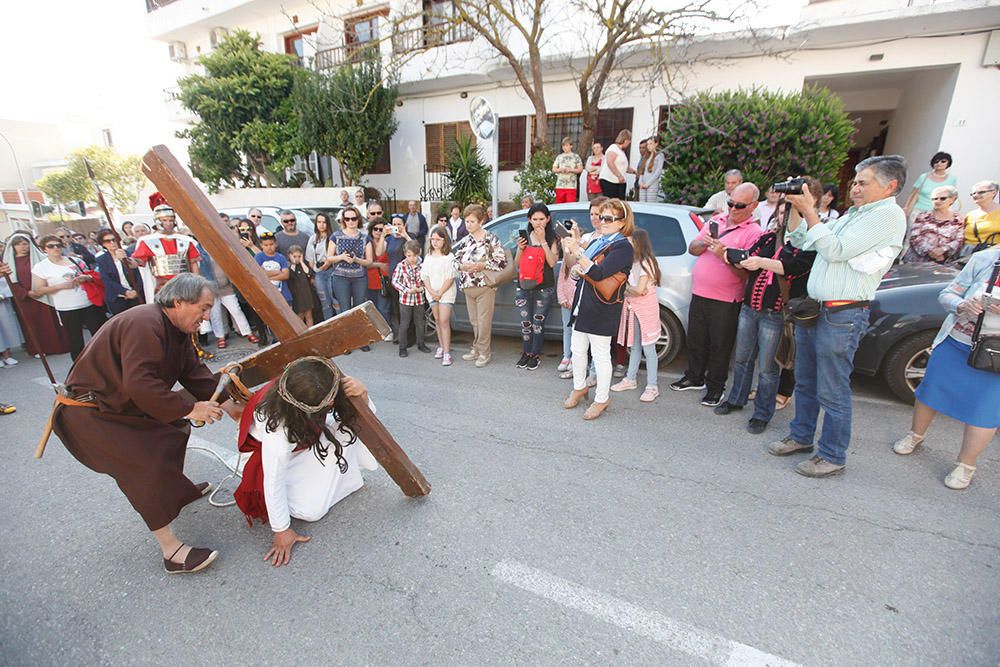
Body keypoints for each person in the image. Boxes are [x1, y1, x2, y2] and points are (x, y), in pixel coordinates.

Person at [51, 274, 238, 574]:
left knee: (170, 433)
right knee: (143, 465)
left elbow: (193, 371)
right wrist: (191, 408)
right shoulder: (145, 324)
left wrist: (230, 407)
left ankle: (178, 491)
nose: (207, 317)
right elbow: (140, 384)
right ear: (178, 302)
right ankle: (171, 552)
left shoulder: (173, 328)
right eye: (203, 309)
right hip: (90, 414)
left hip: (118, 407)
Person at [769, 155, 908, 477]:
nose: (855, 188)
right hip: (818, 310)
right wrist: (795, 210)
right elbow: (803, 241)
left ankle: (832, 454)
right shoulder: (856, 214)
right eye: (855, 182)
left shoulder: (888, 215)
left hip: (843, 313)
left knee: (832, 388)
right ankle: (802, 437)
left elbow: (836, 250)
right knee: (805, 381)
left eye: (863, 182)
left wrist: (809, 211)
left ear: (890, 186)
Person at [233, 356, 378, 567]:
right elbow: (273, 479)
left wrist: (362, 395)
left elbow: (364, 419)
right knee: (311, 511)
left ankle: (339, 479)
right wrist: (282, 530)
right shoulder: (278, 430)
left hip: (303, 437)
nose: (332, 402)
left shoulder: (318, 376)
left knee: (348, 428)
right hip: (267, 458)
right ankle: (327, 479)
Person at [891, 246, 1000, 489]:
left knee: (985, 410)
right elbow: (948, 294)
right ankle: (915, 435)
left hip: (996, 356)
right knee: (930, 392)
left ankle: (966, 465)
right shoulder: (986, 258)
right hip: (956, 342)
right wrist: (962, 305)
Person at [714, 196, 817, 434]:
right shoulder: (768, 237)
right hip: (750, 308)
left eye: (789, 213)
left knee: (768, 369)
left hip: (775, 313)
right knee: (741, 359)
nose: (783, 217)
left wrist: (760, 261)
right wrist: (733, 256)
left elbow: (792, 267)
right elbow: (748, 256)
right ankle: (736, 399)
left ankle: (762, 413)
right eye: (780, 213)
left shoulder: (806, 245)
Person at [670, 183, 764, 407]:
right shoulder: (716, 220)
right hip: (700, 292)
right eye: (730, 202)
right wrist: (704, 243)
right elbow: (693, 247)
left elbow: (745, 274)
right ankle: (694, 377)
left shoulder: (754, 232)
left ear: (753, 206)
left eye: (739, 205)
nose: (732, 208)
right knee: (696, 338)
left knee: (719, 345)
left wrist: (724, 255)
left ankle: (715, 387)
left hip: (727, 298)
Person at [562, 198, 635, 420]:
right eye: (601, 217)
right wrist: (578, 251)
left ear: (622, 222)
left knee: (601, 355)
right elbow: (583, 267)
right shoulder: (599, 240)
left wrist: (577, 252)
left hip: (602, 307)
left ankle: (601, 399)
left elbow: (599, 273)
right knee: (578, 349)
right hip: (584, 303)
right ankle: (579, 387)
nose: (603, 221)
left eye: (609, 218)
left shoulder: (623, 246)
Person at [31, 234, 107, 360]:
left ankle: (104, 360)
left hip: (88, 302)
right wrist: (60, 286)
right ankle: (79, 368)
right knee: (75, 339)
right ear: (44, 249)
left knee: (99, 335)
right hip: (66, 307)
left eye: (58, 245)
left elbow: (92, 276)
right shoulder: (41, 267)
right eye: (51, 246)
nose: (55, 248)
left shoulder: (76, 261)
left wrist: (86, 278)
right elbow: (39, 290)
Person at [609, 228, 661, 402]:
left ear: (639, 243)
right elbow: (637, 289)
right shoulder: (633, 262)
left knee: (649, 348)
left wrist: (626, 290)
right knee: (636, 345)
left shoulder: (646, 262)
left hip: (645, 310)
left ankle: (652, 386)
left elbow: (638, 290)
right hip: (635, 308)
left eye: (631, 243)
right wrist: (632, 290)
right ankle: (630, 379)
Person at [453, 204, 508, 367]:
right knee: (474, 321)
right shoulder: (465, 240)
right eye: (467, 221)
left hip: (485, 286)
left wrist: (482, 265)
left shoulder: (491, 239)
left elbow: (502, 262)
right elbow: (454, 261)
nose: (468, 224)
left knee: (484, 322)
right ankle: (476, 348)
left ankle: (485, 352)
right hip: (468, 286)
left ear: (481, 221)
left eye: (472, 221)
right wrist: (462, 266)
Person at [1, 232, 69, 355]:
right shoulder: (8, 263)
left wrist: (39, 290)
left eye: (25, 244)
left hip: (43, 294)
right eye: (19, 245)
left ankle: (56, 347)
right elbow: (10, 281)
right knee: (31, 325)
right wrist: (27, 293)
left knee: (49, 322)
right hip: (24, 299)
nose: (23, 247)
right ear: (13, 247)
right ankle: (38, 349)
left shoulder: (40, 259)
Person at [514, 203, 559, 370]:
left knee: (538, 323)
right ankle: (525, 352)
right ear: (529, 220)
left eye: (542, 219)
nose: (539, 222)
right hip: (524, 286)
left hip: (544, 287)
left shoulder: (552, 237)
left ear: (548, 219)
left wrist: (543, 242)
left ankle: (535, 354)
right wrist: (520, 248)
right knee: (525, 323)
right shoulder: (524, 236)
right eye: (535, 219)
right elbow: (517, 263)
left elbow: (553, 262)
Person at [196, 239, 257, 348]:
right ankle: (220, 337)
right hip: (211, 289)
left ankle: (248, 332)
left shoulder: (220, 249)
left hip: (227, 288)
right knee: (215, 314)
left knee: (236, 310)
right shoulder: (198, 250)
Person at [131, 205, 201, 294]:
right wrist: (126, 259)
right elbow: (137, 262)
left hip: (185, 284)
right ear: (157, 221)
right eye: (164, 220)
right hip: (163, 287)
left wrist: (197, 285)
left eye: (171, 220)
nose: (168, 223)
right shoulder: (148, 241)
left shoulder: (186, 240)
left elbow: (193, 264)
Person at [330, 206, 372, 339]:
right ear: (343, 220)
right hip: (340, 277)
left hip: (359, 278)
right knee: (345, 310)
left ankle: (360, 338)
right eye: (347, 219)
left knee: (359, 309)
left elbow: (369, 261)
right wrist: (342, 257)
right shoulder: (336, 236)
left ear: (357, 219)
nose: (350, 221)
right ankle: (346, 339)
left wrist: (356, 259)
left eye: (353, 218)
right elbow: (329, 257)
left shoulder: (365, 237)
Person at [421, 226, 458, 366]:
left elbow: (450, 277)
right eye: (432, 239)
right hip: (431, 292)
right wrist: (431, 291)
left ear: (444, 240)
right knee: (436, 320)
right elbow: (424, 276)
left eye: (438, 239)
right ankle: (441, 347)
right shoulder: (428, 256)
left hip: (446, 293)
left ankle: (447, 353)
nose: (435, 242)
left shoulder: (449, 257)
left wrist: (440, 292)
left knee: (444, 320)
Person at [902, 185, 964, 264]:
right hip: (917, 262)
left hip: (943, 263)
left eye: (942, 198)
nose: (937, 201)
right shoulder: (923, 216)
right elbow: (914, 237)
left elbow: (959, 240)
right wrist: (931, 251)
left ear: (952, 199)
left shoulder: (958, 219)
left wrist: (943, 250)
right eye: (934, 199)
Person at [392, 240, 431, 357]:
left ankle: (421, 343)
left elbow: (427, 280)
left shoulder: (423, 265)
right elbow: (395, 281)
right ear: (405, 254)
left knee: (420, 322)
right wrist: (406, 289)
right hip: (405, 300)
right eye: (409, 255)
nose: (412, 258)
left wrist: (421, 288)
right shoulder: (401, 266)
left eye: (414, 255)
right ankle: (402, 347)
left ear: (418, 253)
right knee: (404, 323)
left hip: (419, 299)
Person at [95, 229, 144, 316]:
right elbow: (106, 280)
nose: (112, 243)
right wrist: (125, 292)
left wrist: (136, 291)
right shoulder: (102, 260)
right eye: (107, 241)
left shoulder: (130, 254)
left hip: (136, 295)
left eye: (114, 239)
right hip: (118, 298)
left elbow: (140, 274)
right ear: (103, 244)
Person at [903, 151, 957, 221]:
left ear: (948, 163)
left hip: (937, 214)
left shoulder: (952, 179)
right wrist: (906, 207)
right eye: (936, 161)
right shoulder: (924, 177)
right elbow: (913, 194)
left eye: (943, 161)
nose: (939, 163)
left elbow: (951, 197)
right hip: (918, 211)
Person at [306, 213, 336, 320]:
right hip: (319, 273)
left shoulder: (333, 237)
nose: (321, 225)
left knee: (336, 301)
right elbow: (310, 259)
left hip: (332, 271)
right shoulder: (313, 239)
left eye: (324, 222)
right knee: (325, 303)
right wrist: (315, 270)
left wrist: (328, 263)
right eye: (319, 222)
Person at [365, 217, 391, 329]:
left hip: (382, 280)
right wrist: (379, 265)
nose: (378, 232)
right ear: (371, 229)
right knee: (372, 308)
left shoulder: (386, 242)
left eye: (381, 230)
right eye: (376, 229)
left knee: (383, 308)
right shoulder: (366, 242)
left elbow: (379, 253)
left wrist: (383, 237)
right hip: (369, 279)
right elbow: (366, 262)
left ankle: (385, 330)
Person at [254, 231, 293, 305]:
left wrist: (267, 277)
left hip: (283, 295)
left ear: (275, 244)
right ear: (261, 245)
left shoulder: (281, 257)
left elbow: (286, 275)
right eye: (266, 245)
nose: (269, 247)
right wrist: (277, 272)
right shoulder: (258, 257)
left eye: (271, 244)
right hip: (267, 296)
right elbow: (258, 275)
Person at [962, 180, 1000, 255]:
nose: (975, 195)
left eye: (981, 192)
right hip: (968, 255)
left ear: (993, 193)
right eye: (973, 193)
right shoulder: (970, 215)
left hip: (992, 255)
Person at [598, 130, 633, 199]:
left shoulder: (622, 151)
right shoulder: (613, 148)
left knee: (621, 202)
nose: (629, 143)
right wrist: (619, 175)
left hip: (620, 182)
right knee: (613, 202)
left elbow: (624, 167)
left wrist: (635, 172)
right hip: (610, 181)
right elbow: (610, 162)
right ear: (626, 140)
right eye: (629, 141)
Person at [286, 245, 315, 327]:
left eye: (299, 256)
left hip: (306, 294)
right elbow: (291, 275)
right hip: (296, 295)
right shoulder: (289, 266)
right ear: (290, 256)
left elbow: (309, 273)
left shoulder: (303, 265)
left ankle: (311, 331)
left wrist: (302, 262)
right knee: (300, 315)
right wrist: (293, 262)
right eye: (294, 256)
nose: (297, 258)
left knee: (309, 315)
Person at [0, 271, 23, 366]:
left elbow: (8, 281)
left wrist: (2, 295)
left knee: (5, 327)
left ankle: (6, 355)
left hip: (2, 301)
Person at [552, 137, 584, 204]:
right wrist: (560, 169)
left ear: (571, 146)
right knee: (559, 205)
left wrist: (570, 170)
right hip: (560, 185)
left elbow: (580, 169)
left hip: (571, 185)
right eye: (563, 145)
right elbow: (554, 169)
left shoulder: (576, 157)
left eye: (566, 145)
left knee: (570, 204)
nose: (564, 147)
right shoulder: (559, 157)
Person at [637, 136, 664, 203]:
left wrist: (648, 184)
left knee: (650, 205)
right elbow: (642, 171)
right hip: (643, 184)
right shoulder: (646, 156)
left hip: (652, 185)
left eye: (651, 144)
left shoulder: (659, 155)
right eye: (648, 144)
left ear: (656, 144)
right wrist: (640, 183)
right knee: (642, 204)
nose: (648, 146)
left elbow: (657, 172)